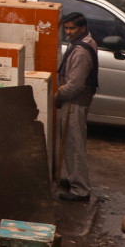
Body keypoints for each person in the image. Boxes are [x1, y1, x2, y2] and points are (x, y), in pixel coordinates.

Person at [56, 11, 98, 202]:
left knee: (74, 145)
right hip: (75, 101)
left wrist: (58, 96)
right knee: (70, 143)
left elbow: (75, 85)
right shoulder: (83, 42)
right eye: (66, 28)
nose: (68, 32)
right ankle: (75, 180)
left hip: (74, 102)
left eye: (72, 28)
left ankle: (80, 189)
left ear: (82, 28)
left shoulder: (81, 51)